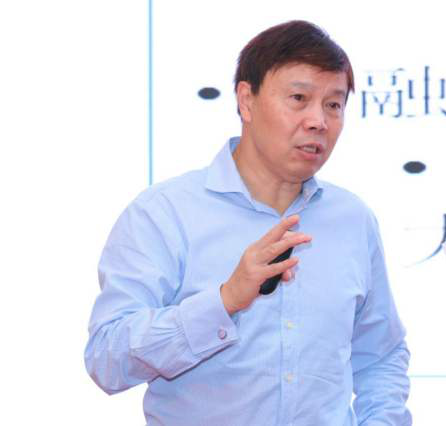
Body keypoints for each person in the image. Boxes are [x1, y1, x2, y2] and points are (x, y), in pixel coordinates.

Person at [85, 20, 411, 426]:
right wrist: (224, 301)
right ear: (246, 100)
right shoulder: (164, 213)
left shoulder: (353, 219)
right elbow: (107, 360)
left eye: (334, 105)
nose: (318, 121)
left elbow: (380, 356)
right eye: (299, 98)